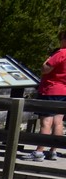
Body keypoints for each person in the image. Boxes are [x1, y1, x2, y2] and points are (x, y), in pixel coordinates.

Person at [19, 30, 66, 161]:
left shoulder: (61, 53)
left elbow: (45, 69)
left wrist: (48, 58)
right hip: (64, 91)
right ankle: (53, 151)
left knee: (46, 122)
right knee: (58, 122)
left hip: (51, 90)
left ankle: (39, 151)